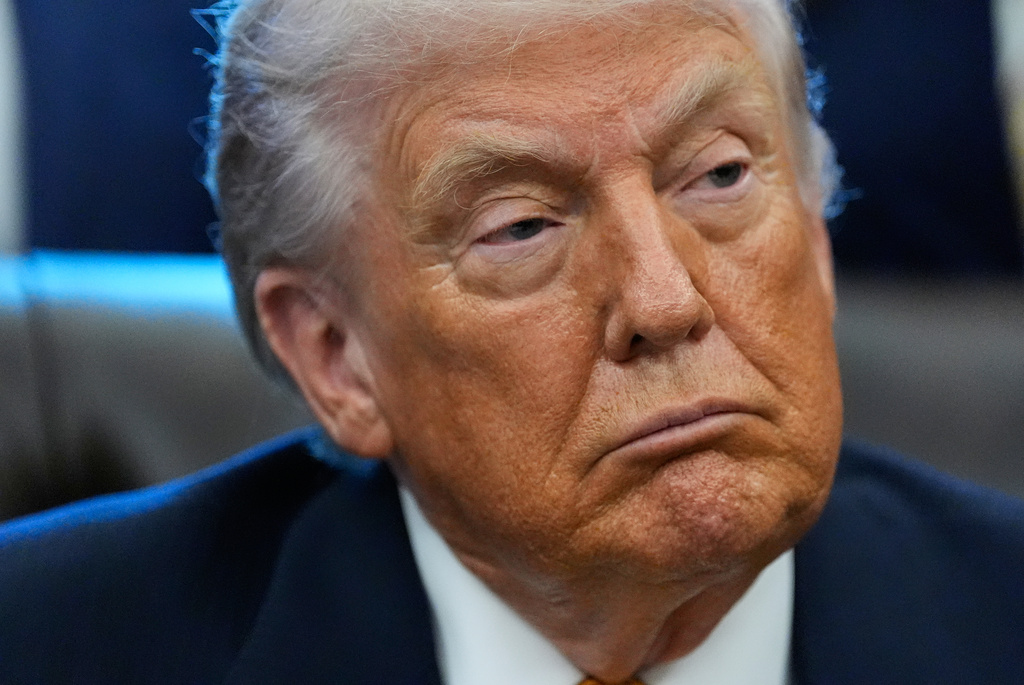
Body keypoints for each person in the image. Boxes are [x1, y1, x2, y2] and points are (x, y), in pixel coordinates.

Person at [1, 1, 1022, 683]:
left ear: (812, 227)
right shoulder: (51, 643)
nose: (664, 304)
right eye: (522, 228)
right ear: (333, 354)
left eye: (716, 177)